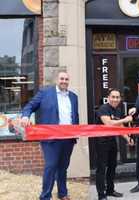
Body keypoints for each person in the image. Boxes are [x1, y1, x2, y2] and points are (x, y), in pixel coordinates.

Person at [21, 71, 79, 200]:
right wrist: (25, 115)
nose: (64, 81)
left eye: (66, 79)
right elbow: (30, 106)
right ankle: (45, 196)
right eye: (62, 79)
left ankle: (63, 193)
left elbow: (75, 116)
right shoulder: (45, 93)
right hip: (50, 138)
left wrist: (76, 133)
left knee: (63, 167)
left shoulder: (74, 97)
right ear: (56, 80)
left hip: (68, 138)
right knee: (51, 166)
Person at [95, 88, 134, 200]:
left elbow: (119, 127)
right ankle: (101, 195)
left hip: (112, 141)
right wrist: (125, 119)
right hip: (101, 141)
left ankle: (110, 190)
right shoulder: (103, 108)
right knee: (101, 168)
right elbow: (108, 123)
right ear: (108, 98)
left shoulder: (118, 109)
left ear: (120, 99)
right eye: (113, 97)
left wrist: (127, 138)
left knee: (112, 166)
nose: (115, 99)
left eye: (117, 97)